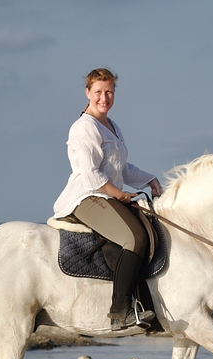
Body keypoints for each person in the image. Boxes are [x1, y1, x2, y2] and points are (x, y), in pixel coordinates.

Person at [52, 68, 163, 331]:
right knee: (135, 238)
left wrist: (149, 179)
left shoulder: (112, 126)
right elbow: (91, 174)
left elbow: (121, 168)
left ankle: (146, 303)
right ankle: (120, 311)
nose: (104, 97)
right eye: (99, 92)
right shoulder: (84, 127)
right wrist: (120, 194)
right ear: (88, 93)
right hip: (87, 196)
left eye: (109, 92)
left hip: (107, 193)